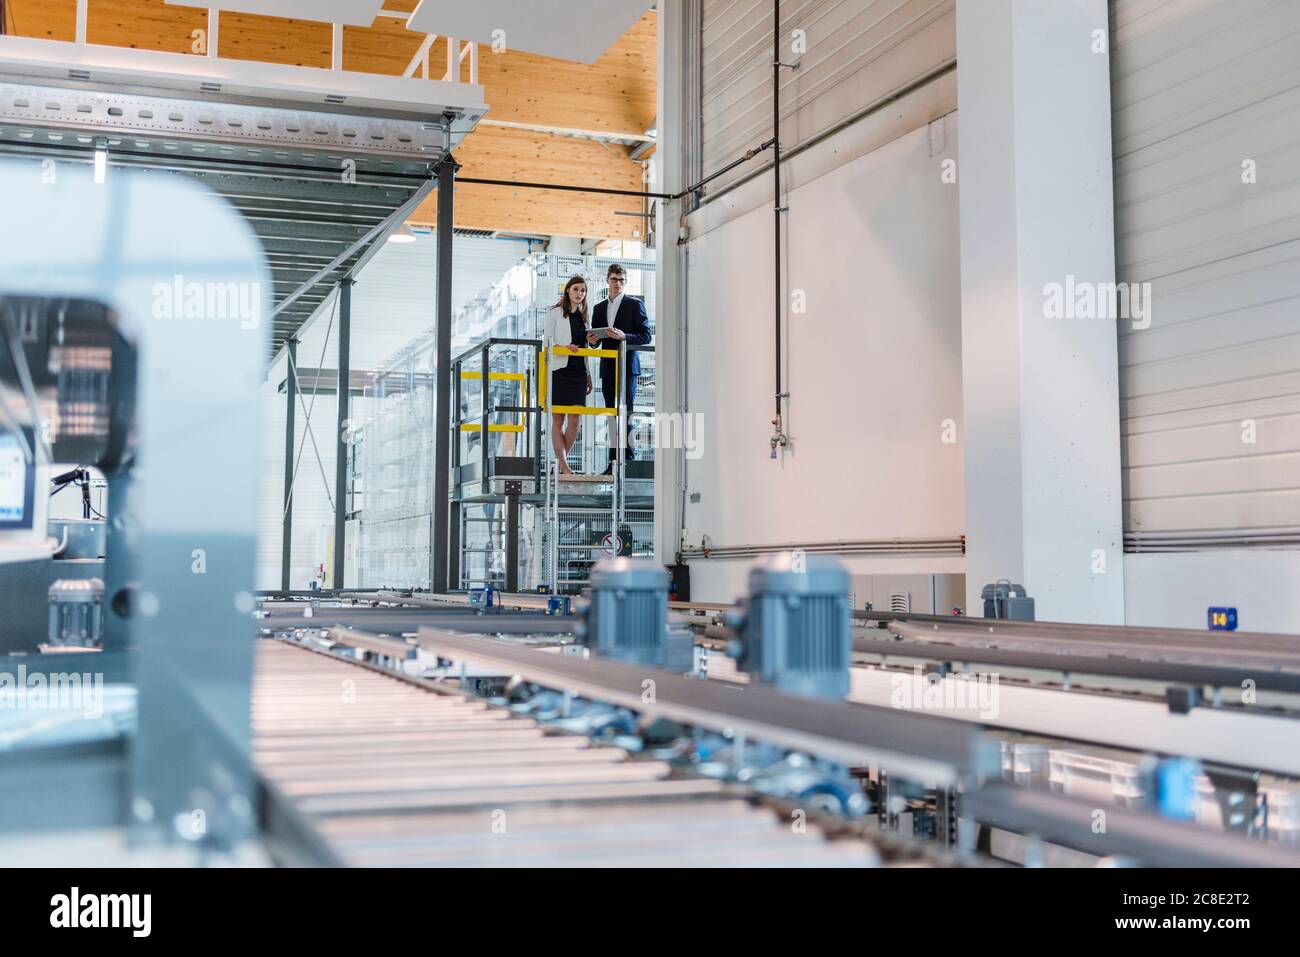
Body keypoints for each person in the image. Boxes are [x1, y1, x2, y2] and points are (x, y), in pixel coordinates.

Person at [588, 263, 651, 472]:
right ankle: (614, 463)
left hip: (628, 366)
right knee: (612, 415)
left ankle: (628, 462)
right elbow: (595, 342)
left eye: (622, 280)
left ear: (625, 282)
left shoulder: (634, 305)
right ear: (608, 280)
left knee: (627, 413)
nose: (618, 284)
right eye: (614, 279)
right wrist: (593, 340)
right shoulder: (598, 308)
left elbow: (646, 335)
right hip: (608, 366)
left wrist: (625, 336)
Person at [543, 275, 592, 475]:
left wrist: (588, 374)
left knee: (575, 419)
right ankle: (564, 466)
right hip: (560, 369)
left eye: (583, 290)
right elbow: (547, 343)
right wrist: (563, 347)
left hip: (579, 370)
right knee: (558, 419)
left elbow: (586, 346)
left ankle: (561, 464)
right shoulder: (554, 313)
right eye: (576, 289)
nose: (580, 293)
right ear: (568, 291)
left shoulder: (583, 315)